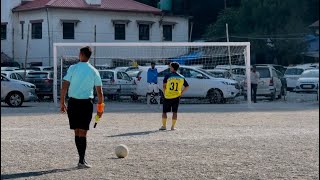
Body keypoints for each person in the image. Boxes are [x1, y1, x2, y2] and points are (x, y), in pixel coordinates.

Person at [60, 46, 104, 168]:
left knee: (77, 131)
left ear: (81, 54)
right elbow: (100, 92)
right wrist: (100, 109)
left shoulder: (72, 68)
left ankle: (81, 160)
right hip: (86, 104)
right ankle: (81, 160)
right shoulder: (94, 70)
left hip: (73, 103)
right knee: (83, 132)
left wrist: (62, 102)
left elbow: (64, 85)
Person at [160, 62, 189, 131]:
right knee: (175, 112)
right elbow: (187, 86)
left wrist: (164, 93)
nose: (170, 68)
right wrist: (181, 92)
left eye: (170, 67)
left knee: (164, 112)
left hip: (167, 96)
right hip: (176, 96)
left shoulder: (168, 76)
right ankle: (172, 127)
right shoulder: (181, 77)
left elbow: (164, 86)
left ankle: (164, 126)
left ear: (172, 68)